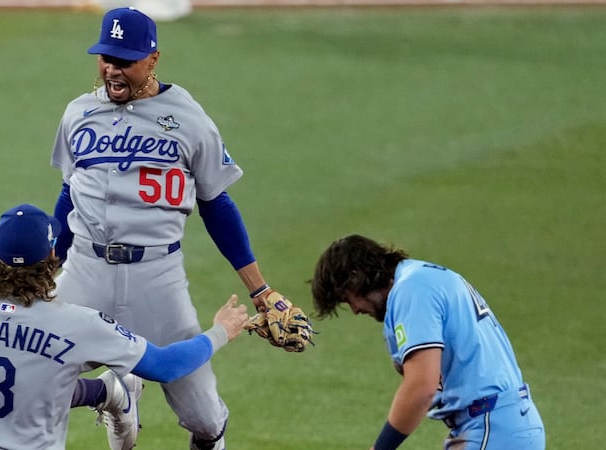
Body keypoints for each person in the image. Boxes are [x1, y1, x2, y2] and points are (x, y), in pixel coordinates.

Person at [48, 7, 293, 450]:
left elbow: (216, 204)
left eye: (124, 60)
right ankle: (113, 393)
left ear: (154, 59)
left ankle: (143, 401)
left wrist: (261, 290)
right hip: (85, 269)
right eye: (106, 58)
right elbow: (68, 197)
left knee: (203, 419)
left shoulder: (189, 119)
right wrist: (45, 270)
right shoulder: (77, 114)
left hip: (156, 278)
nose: (112, 69)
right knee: (34, 375)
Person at [0, 203, 249, 450]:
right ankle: (107, 392)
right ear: (53, 256)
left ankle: (106, 393)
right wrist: (220, 331)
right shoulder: (77, 324)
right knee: (42, 373)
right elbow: (166, 366)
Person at [310, 234, 546, 450]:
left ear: (356, 277)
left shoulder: (410, 290)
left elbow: (422, 386)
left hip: (491, 427)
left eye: (347, 299)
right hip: (502, 423)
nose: (354, 309)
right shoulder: (421, 277)